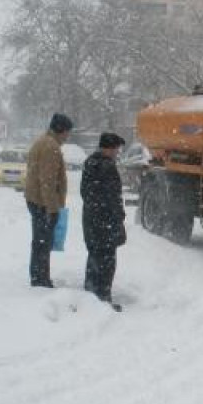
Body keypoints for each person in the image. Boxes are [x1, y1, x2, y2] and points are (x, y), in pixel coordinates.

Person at [24, 113, 73, 288]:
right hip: (42, 203)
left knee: (40, 241)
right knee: (43, 242)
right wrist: (52, 209)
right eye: (67, 132)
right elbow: (47, 180)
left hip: (36, 199)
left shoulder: (43, 141)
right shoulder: (50, 147)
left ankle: (39, 276)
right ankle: (40, 279)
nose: (68, 136)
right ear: (61, 130)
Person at [81, 132, 127, 310]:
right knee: (106, 262)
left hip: (91, 220)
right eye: (116, 149)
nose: (117, 152)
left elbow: (86, 194)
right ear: (109, 148)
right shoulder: (107, 166)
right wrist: (118, 217)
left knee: (94, 257)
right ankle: (102, 299)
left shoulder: (90, 162)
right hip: (105, 223)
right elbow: (112, 198)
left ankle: (91, 296)